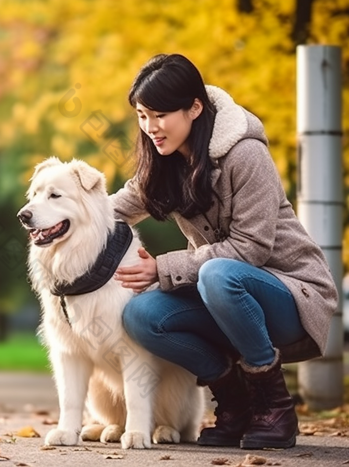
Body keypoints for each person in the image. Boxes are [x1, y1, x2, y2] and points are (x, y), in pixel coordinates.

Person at [110, 53, 337, 450]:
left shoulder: (246, 154)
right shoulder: (164, 163)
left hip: (292, 296)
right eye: (143, 116)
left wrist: (164, 267)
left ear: (194, 107)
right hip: (223, 296)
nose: (150, 128)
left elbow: (248, 249)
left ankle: (275, 408)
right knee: (141, 315)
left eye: (160, 115)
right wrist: (61, 216)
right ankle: (236, 404)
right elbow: (110, 210)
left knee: (220, 274)